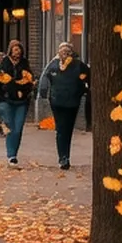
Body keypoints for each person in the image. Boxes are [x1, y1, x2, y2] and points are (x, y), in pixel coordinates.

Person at [40, 42, 90, 170]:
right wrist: (44, 92)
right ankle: (63, 157)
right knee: (61, 129)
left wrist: (82, 91)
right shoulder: (54, 65)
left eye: (68, 52)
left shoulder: (79, 65)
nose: (65, 54)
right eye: (62, 51)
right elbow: (45, 78)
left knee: (68, 129)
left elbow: (88, 78)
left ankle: (65, 155)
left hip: (72, 102)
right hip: (57, 102)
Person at [0, 39, 34, 168]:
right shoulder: (4, 63)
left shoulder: (25, 63)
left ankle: (14, 153)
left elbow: (29, 79)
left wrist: (26, 90)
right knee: (10, 127)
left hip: (22, 101)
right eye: (15, 49)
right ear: (10, 50)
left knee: (18, 128)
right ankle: (11, 155)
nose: (18, 51)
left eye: (19, 49)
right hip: (6, 100)